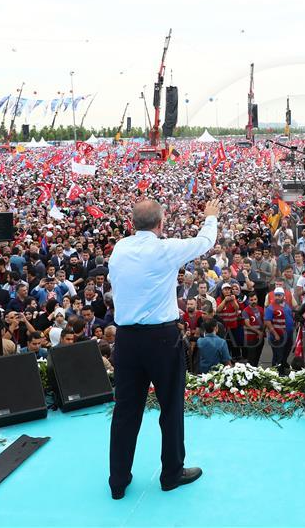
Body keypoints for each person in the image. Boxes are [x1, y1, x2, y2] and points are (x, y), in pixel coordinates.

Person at [107, 198, 219, 500]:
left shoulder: (119, 249)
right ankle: (171, 474)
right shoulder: (165, 249)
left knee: (125, 411)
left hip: (127, 340)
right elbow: (205, 241)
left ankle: (118, 481)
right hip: (161, 338)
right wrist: (210, 217)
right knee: (170, 407)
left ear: (132, 224)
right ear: (161, 224)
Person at [264, 288, 294, 372]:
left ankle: (284, 363)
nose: (277, 297)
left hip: (288, 334)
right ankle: (278, 372)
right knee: (278, 354)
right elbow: (267, 321)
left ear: (283, 296)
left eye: (279, 295)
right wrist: (275, 334)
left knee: (287, 349)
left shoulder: (286, 304)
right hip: (278, 335)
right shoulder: (271, 307)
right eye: (276, 295)